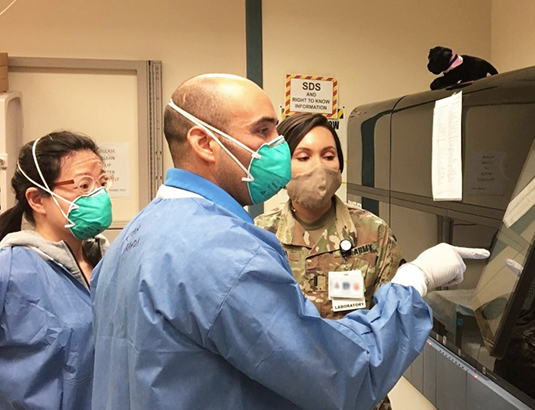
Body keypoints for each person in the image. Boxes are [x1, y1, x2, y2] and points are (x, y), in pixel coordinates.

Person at [91, 73, 489, 410]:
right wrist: (415, 281)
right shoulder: (226, 252)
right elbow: (341, 373)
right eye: (262, 132)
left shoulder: (139, 233)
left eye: (277, 134)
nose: (276, 149)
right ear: (204, 142)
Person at [255, 113, 402, 410]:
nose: (318, 167)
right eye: (304, 156)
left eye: (328, 155)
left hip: (359, 397)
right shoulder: (259, 235)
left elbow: (391, 328)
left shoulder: (373, 233)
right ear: (284, 166)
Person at [0, 131, 113, 409]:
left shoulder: (108, 262)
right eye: (83, 186)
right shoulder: (10, 270)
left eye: (102, 183)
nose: (98, 195)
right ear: (37, 200)